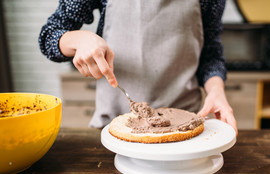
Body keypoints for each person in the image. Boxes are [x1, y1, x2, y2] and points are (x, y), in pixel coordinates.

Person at [39, 0, 237, 134]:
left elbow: (210, 52)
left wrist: (217, 91)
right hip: (117, 127)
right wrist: (79, 39)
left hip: (184, 126)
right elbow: (50, 35)